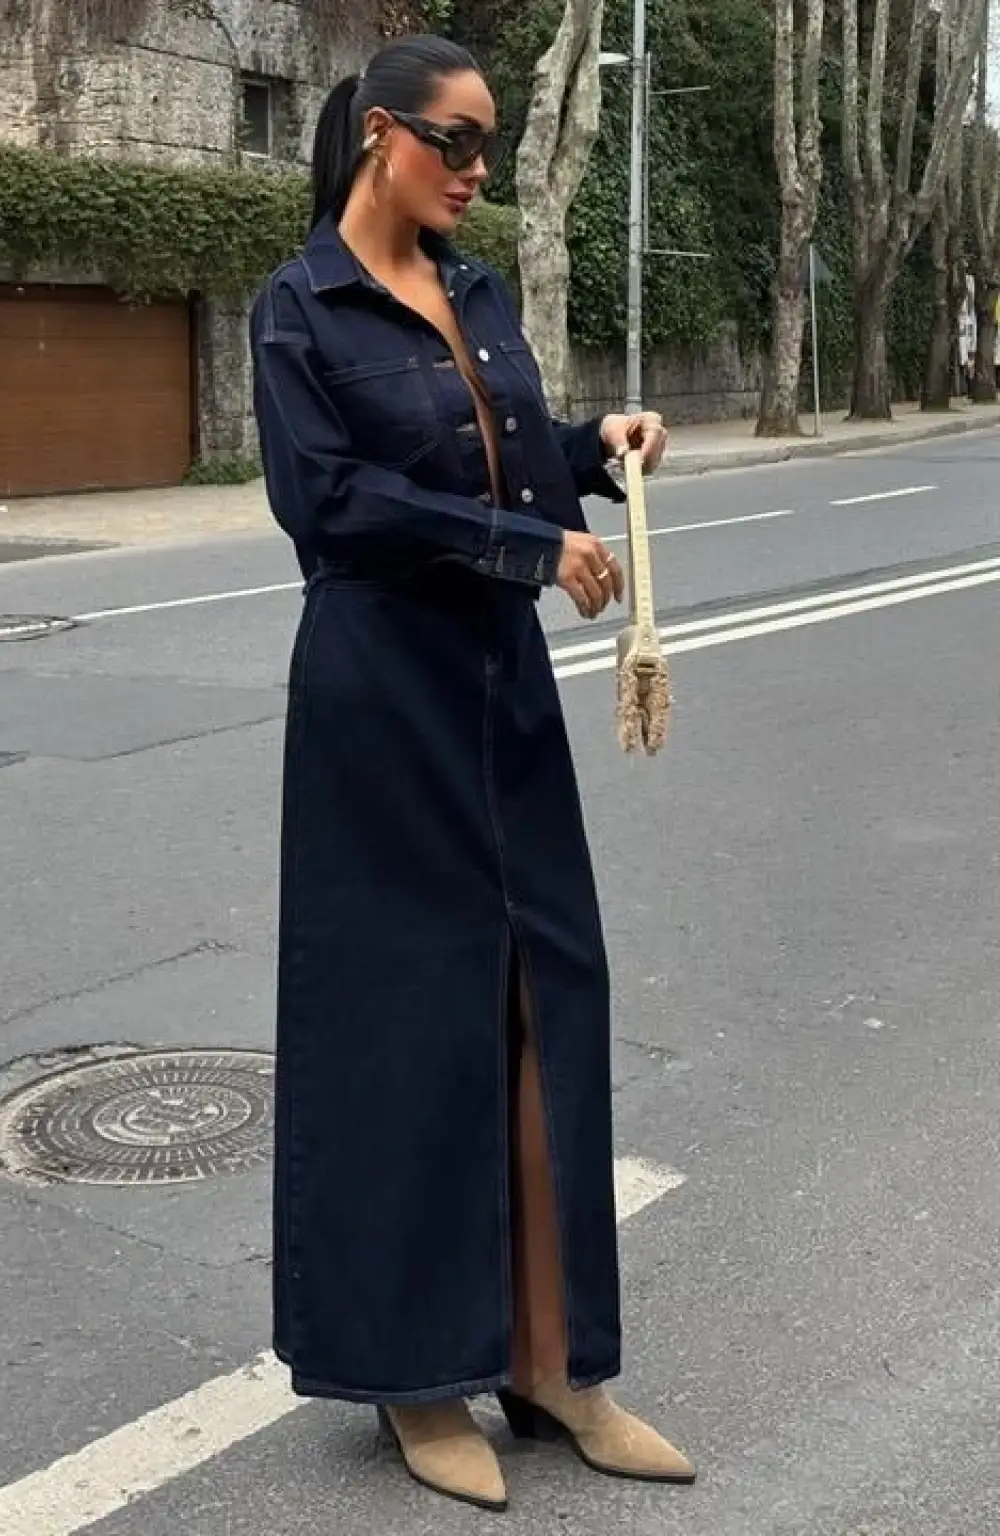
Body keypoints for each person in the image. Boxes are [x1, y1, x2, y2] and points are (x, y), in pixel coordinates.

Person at [250, 33, 694, 1513]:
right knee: (405, 1027)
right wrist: (525, 547)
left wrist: (593, 448)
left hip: (501, 691)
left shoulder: (481, 293)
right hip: (382, 704)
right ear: (383, 135)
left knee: (546, 997)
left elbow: (503, 458)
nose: (477, 171)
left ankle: (554, 1364)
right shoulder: (300, 307)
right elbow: (333, 503)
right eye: (458, 141)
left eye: (488, 146)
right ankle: (414, 1376)